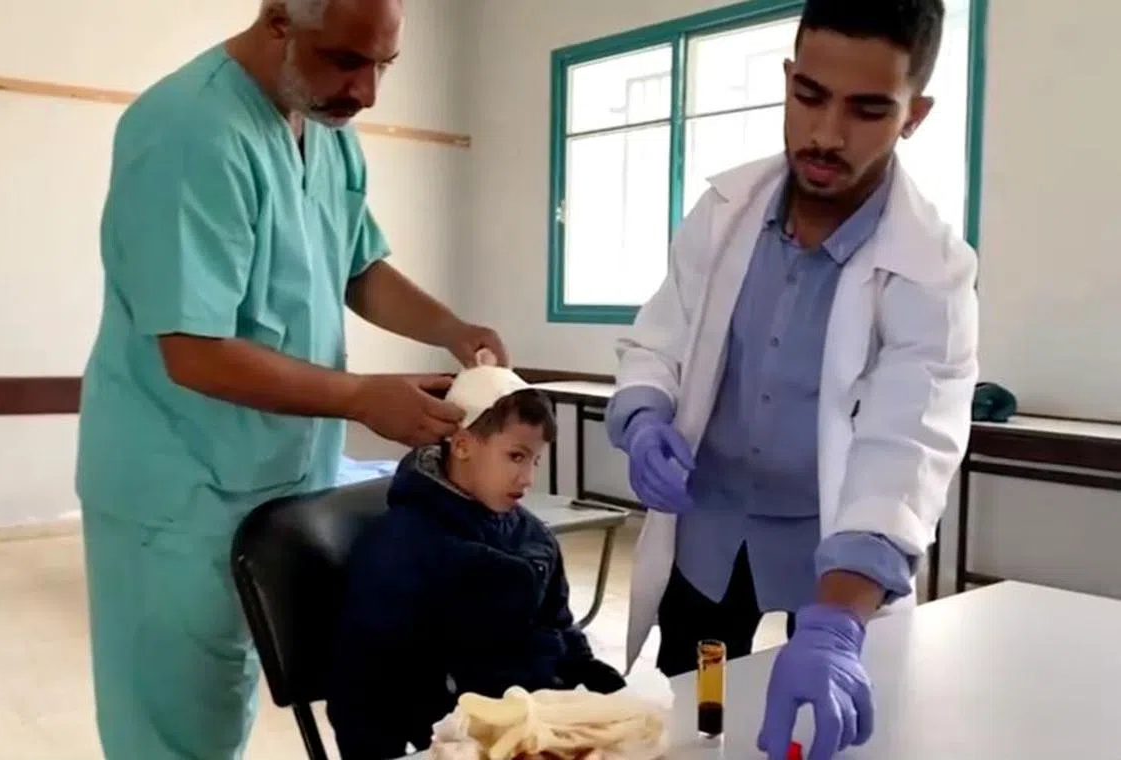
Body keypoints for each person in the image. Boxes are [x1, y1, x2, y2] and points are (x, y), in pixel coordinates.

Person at [74, 1, 507, 758]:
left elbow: (358, 266)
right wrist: (362, 399)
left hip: (276, 479)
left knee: (227, 699)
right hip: (176, 492)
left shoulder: (327, 132)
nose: (367, 90)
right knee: (173, 731)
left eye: (383, 66)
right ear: (279, 21)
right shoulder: (189, 131)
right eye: (347, 60)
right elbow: (195, 351)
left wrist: (451, 330)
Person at [604, 1, 978, 758]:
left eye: (868, 109)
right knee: (699, 714)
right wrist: (645, 414)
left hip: (828, 556)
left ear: (915, 115)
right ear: (787, 79)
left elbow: (907, 442)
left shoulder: (932, 271)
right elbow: (662, 336)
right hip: (707, 534)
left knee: (815, 731)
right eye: (809, 95)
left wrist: (839, 626)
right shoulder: (722, 213)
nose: (826, 135)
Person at [327, 367, 626, 760]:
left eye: (535, 461)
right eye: (516, 456)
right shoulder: (402, 546)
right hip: (456, 740)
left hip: (539, 727)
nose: (527, 476)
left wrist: (589, 676)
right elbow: (366, 682)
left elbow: (557, 625)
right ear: (463, 445)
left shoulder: (535, 538)